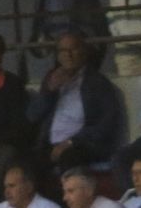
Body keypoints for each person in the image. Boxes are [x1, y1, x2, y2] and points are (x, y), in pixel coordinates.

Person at [28, 31, 125, 171]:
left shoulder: (98, 83)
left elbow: (106, 125)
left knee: (69, 158)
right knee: (26, 163)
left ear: (84, 52)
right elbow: (33, 115)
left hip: (83, 145)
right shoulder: (52, 78)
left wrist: (70, 142)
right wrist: (49, 91)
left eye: (73, 49)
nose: (68, 54)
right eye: (63, 50)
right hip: (50, 143)